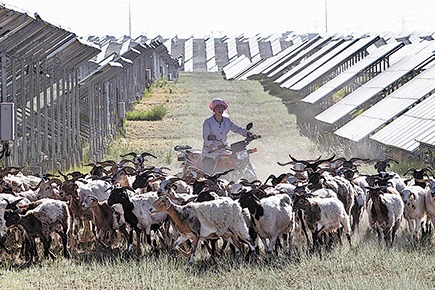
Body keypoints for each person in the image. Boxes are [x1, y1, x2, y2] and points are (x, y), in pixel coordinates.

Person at [201, 98, 250, 175]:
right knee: (208, 171)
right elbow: (206, 137)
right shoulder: (208, 122)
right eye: (217, 107)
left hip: (224, 149)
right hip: (210, 152)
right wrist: (211, 145)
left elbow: (237, 129)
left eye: (222, 107)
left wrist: (248, 134)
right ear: (214, 109)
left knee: (237, 161)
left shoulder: (227, 121)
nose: (220, 109)